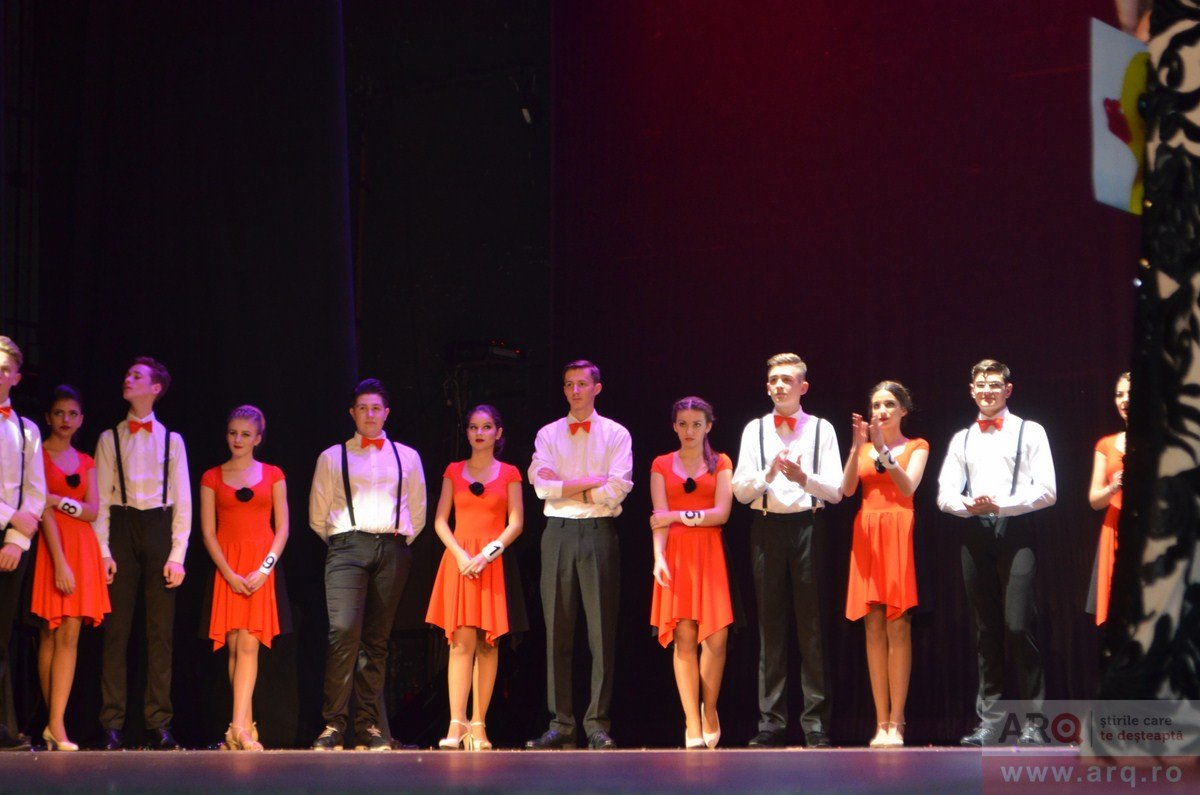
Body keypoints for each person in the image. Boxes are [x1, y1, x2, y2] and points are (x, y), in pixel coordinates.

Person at [936, 359, 1056, 747]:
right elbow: (944, 494)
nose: (987, 390)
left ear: (1008, 389)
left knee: (1018, 625)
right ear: (972, 391)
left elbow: (1048, 491)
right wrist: (969, 506)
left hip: (1015, 528)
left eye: (994, 384)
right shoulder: (962, 438)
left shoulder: (1029, 431)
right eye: (981, 385)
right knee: (986, 629)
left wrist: (1001, 505)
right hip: (975, 530)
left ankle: (1035, 722)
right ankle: (991, 722)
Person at [309, 378, 426, 751]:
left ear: (386, 413)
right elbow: (318, 515)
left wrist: (396, 543)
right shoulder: (332, 457)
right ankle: (334, 724)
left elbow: (417, 511)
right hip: (347, 547)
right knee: (344, 631)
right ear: (352, 413)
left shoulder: (407, 457)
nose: (370, 414)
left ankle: (369, 727)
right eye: (363, 408)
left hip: (392, 548)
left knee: (376, 640)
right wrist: (346, 542)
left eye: (376, 408)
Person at [732, 352, 842, 748]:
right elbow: (740, 491)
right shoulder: (755, 430)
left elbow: (836, 490)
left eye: (787, 379)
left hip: (808, 527)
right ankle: (771, 723)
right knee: (770, 626)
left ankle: (815, 724)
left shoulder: (822, 429)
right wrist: (769, 473)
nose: (780, 385)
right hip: (766, 528)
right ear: (767, 386)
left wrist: (803, 478)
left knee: (812, 626)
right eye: (774, 380)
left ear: (803, 386)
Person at [526, 360, 632, 750]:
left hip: (599, 532)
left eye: (582, 384)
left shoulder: (616, 434)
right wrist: (590, 484)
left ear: (596, 388)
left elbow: (618, 488)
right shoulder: (548, 433)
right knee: (557, 629)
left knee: (601, 632)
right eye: (569, 384)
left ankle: (597, 723)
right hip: (558, 533)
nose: (575, 391)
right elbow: (542, 488)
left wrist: (567, 487)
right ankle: (561, 723)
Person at [94, 357, 191, 750]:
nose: (127, 378)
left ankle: (158, 722)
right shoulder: (109, 438)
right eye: (127, 373)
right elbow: (101, 500)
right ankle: (111, 723)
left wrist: (177, 554)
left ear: (155, 388)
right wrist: (103, 551)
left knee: (160, 633)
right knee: (116, 631)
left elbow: (183, 501)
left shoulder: (172, 440)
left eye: (136, 375)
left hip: (158, 527)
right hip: (121, 526)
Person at [426, 405, 523, 751]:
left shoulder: (510, 473)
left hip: (490, 563)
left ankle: (479, 725)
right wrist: (461, 555)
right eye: (473, 427)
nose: (479, 433)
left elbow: (516, 523)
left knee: (488, 643)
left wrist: (486, 555)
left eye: (486, 427)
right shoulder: (453, 470)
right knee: (461, 641)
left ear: (498, 433)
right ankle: (457, 722)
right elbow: (440, 521)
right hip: (460, 560)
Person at [840, 381, 929, 749]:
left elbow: (908, 487)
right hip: (867, 532)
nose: (881, 411)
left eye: (889, 404)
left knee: (898, 626)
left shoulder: (917, 446)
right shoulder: (863, 448)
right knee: (873, 625)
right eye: (876, 405)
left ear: (903, 410)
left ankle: (898, 719)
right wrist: (856, 447)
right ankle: (881, 721)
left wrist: (883, 451)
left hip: (898, 530)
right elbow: (847, 490)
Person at [199, 405, 288, 752]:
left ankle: (237, 728)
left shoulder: (273, 474)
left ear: (258, 439)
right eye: (233, 433)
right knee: (235, 646)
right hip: (228, 566)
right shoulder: (211, 476)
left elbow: (282, 529)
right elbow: (209, 532)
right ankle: (243, 727)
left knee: (250, 643)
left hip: (258, 567)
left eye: (245, 434)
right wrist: (227, 572)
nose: (238, 439)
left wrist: (264, 569)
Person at [649, 396, 733, 749]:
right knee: (684, 636)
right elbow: (658, 519)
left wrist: (676, 516)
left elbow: (722, 513)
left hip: (709, 552)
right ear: (674, 426)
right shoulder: (660, 464)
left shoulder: (721, 462)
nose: (689, 431)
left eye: (697, 424)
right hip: (677, 554)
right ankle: (692, 723)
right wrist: (659, 557)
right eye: (683, 424)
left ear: (708, 426)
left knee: (716, 637)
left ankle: (709, 709)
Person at [30, 386, 110, 751]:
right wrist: (60, 561)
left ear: (81, 420)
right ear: (48, 417)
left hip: (82, 548)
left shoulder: (86, 460)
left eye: (73, 414)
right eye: (59, 413)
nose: (66, 420)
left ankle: (56, 723)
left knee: (71, 635)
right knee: (50, 632)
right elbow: (40, 507)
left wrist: (60, 500)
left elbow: (92, 511)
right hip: (53, 548)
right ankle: (55, 722)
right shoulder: (38, 455)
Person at [0, 336, 46, 752]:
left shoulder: (26, 429)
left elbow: (35, 491)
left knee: (1, 635)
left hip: (11, 540)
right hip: (7, 520)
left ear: (15, 377)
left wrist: (16, 539)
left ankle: (4, 728)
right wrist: (9, 516)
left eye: (4, 369)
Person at [1087, 373, 1130, 626]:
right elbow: (1095, 500)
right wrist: (1114, 486)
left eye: (1131, 393)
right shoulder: (1106, 444)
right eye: (1119, 394)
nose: (1124, 400)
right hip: (1116, 528)